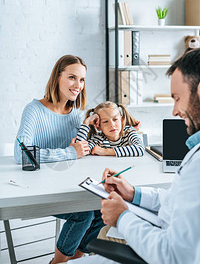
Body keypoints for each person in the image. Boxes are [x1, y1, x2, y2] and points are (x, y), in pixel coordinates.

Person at [66, 49, 200, 263]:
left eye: (177, 98)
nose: (174, 110)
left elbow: (175, 256)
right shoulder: (196, 152)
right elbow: (176, 203)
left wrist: (123, 217)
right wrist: (133, 194)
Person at [14, 55, 104, 264]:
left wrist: (120, 128)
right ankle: (58, 262)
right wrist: (70, 152)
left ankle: (75, 258)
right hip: (40, 188)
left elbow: (85, 149)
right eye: (72, 77)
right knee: (83, 215)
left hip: (68, 185)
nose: (78, 85)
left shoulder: (76, 114)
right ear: (57, 78)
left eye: (82, 80)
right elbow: (22, 154)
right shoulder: (34, 110)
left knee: (101, 209)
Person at [76, 101, 144, 157]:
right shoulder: (98, 140)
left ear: (121, 120)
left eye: (115, 119)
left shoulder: (129, 131)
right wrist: (86, 123)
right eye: (105, 121)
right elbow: (80, 150)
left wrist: (104, 151)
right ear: (98, 126)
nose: (112, 125)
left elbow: (140, 149)